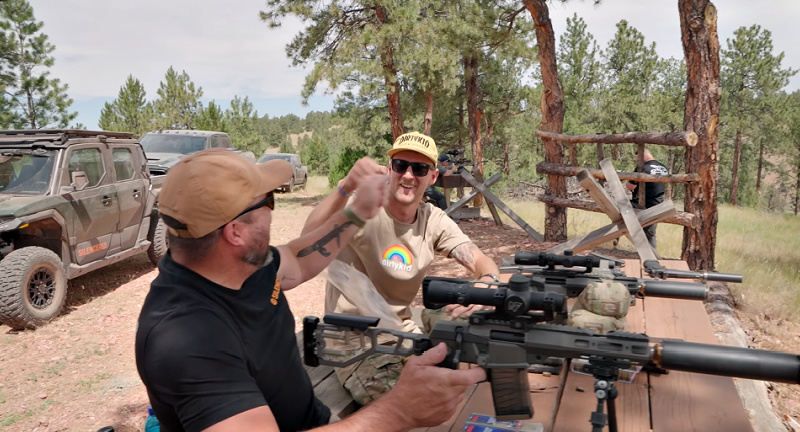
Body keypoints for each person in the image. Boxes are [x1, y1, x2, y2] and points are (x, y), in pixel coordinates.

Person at [135, 148, 485, 432]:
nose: (274, 212)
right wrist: (399, 412)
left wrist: (359, 206)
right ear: (236, 232)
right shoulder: (184, 342)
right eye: (269, 201)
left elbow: (300, 260)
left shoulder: (243, 265)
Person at [301, 131, 500, 406]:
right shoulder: (363, 207)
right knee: (411, 403)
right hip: (354, 341)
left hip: (402, 332)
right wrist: (346, 187)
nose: (408, 175)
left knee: (488, 332)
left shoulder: (432, 219)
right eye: (401, 165)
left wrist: (487, 281)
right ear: (389, 169)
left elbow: (480, 260)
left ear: (432, 177)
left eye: (419, 168)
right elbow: (307, 243)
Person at [626, 149, 668, 251]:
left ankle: (615, 239)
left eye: (638, 159)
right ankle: (653, 259)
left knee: (621, 214)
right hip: (657, 204)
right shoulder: (663, 167)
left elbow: (631, 187)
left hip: (642, 204)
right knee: (650, 234)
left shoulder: (642, 167)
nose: (638, 162)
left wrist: (626, 181)